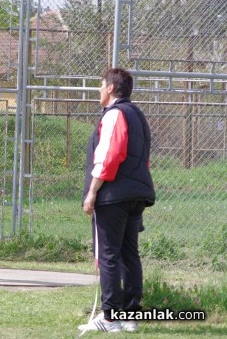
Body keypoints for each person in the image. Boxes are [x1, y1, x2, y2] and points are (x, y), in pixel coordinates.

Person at [78, 67, 155, 333]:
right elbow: (144, 157)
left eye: (101, 86)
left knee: (108, 254)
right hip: (136, 194)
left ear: (111, 88)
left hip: (113, 195)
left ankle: (110, 316)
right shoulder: (138, 115)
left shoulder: (115, 114)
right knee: (128, 253)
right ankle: (131, 315)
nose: (99, 90)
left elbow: (110, 155)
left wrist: (92, 191)